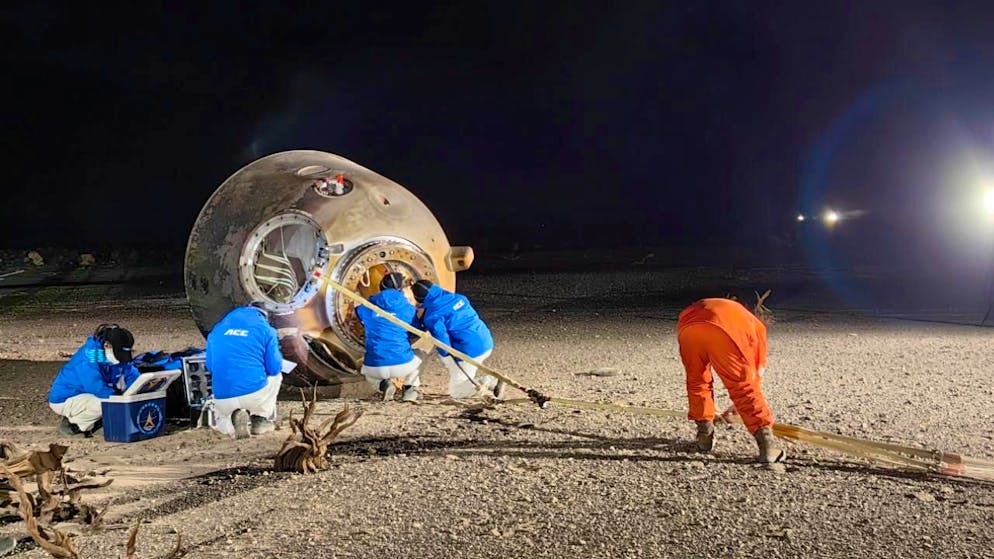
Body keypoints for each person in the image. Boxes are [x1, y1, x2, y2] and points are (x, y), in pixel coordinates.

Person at [676, 297, 785, 463]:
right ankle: (767, 445)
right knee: (742, 387)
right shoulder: (754, 325)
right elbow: (755, 372)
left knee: (697, 381)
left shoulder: (732, 309)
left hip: (689, 326)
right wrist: (740, 405)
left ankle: (704, 436)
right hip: (723, 330)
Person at [206, 302, 284, 439]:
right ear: (263, 316)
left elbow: (210, 367)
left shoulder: (217, 330)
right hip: (254, 394)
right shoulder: (266, 330)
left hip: (222, 397)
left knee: (222, 423)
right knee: (277, 376)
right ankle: (260, 419)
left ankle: (231, 420)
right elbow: (274, 368)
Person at [48, 324, 141, 437]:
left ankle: (94, 420)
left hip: (87, 393)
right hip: (66, 398)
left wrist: (138, 389)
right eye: (119, 354)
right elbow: (96, 387)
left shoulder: (107, 354)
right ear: (107, 345)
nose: (122, 358)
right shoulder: (89, 358)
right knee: (107, 404)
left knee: (117, 398)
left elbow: (130, 371)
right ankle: (74, 425)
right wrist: (120, 399)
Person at [411, 280, 499, 399]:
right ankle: (489, 383)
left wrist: (447, 357)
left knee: (457, 392)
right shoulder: (459, 298)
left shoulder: (433, 316)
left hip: (468, 351)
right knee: (466, 375)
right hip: (486, 342)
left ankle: (488, 381)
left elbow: (441, 340)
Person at [356, 273, 422, 402]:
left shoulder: (367, 307)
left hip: (375, 365)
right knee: (418, 357)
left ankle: (383, 384)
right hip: (403, 363)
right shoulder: (408, 309)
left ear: (381, 286)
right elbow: (416, 328)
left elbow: (358, 314)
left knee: (365, 370)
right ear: (401, 289)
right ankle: (410, 389)